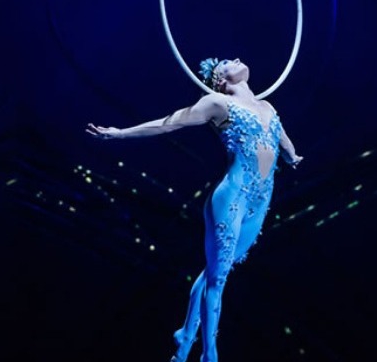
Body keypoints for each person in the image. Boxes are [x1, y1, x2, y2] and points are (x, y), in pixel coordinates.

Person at [87, 57, 302, 362]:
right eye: (228, 62)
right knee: (218, 280)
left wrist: (293, 157)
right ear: (219, 80)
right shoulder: (216, 102)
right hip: (233, 198)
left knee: (218, 270)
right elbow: (168, 123)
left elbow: (284, 143)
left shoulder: (268, 108)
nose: (238, 59)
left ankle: (186, 334)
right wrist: (121, 133)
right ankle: (209, 353)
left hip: (260, 202)